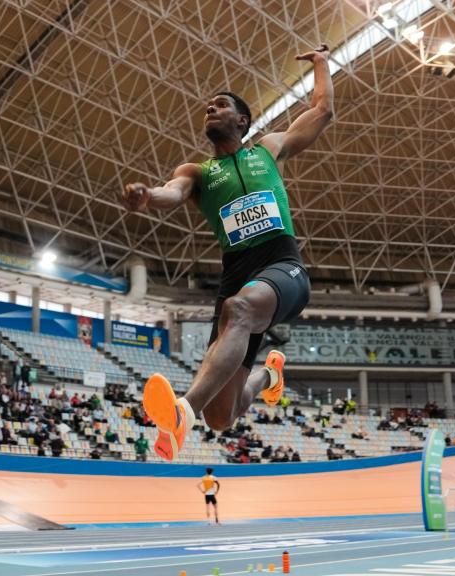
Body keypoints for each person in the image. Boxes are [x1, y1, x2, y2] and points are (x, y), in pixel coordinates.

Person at [123, 44, 333, 461]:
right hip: (237, 274)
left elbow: (322, 111)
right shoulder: (197, 172)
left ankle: (184, 410)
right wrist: (148, 197)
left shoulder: (268, 149)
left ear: (242, 120)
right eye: (207, 107)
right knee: (223, 417)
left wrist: (323, 63)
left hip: (282, 266)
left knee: (238, 310)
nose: (210, 109)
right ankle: (268, 374)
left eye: (220, 105)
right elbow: (173, 192)